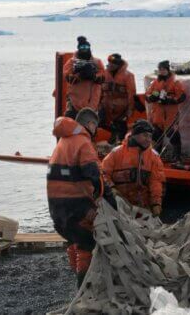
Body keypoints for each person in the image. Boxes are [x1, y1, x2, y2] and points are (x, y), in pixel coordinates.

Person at [46, 108, 115, 287]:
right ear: (90, 124)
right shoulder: (83, 142)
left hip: (55, 204)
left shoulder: (62, 142)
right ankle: (84, 287)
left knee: (72, 238)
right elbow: (94, 173)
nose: (95, 130)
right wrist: (106, 196)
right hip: (76, 203)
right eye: (95, 125)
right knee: (87, 241)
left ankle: (77, 277)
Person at [101, 120, 164, 215]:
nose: (148, 139)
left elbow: (156, 182)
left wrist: (156, 204)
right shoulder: (116, 153)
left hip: (143, 210)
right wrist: (111, 188)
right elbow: (103, 173)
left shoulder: (154, 157)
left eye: (150, 136)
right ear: (135, 135)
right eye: (145, 135)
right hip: (119, 208)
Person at [146, 61, 186, 158]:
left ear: (168, 70)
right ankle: (155, 157)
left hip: (170, 114)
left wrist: (170, 100)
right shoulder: (155, 82)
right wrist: (151, 97)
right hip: (157, 114)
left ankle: (177, 156)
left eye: (163, 70)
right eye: (160, 70)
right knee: (156, 136)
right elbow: (148, 95)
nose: (161, 72)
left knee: (173, 136)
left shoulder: (175, 82)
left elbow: (182, 97)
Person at [63, 36, 106, 119]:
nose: (84, 49)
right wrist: (80, 75)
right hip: (75, 102)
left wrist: (93, 76)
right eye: (82, 47)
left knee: (90, 127)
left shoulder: (97, 62)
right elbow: (68, 77)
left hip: (93, 103)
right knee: (71, 124)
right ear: (78, 48)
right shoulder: (71, 62)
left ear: (89, 48)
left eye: (86, 47)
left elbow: (103, 77)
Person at [100, 53, 136, 144]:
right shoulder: (103, 74)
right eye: (110, 63)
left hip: (121, 109)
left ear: (118, 64)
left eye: (113, 63)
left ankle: (119, 143)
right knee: (99, 121)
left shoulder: (128, 76)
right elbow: (99, 91)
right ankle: (114, 132)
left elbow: (131, 95)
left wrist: (129, 111)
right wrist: (98, 105)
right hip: (106, 107)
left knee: (121, 131)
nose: (111, 65)